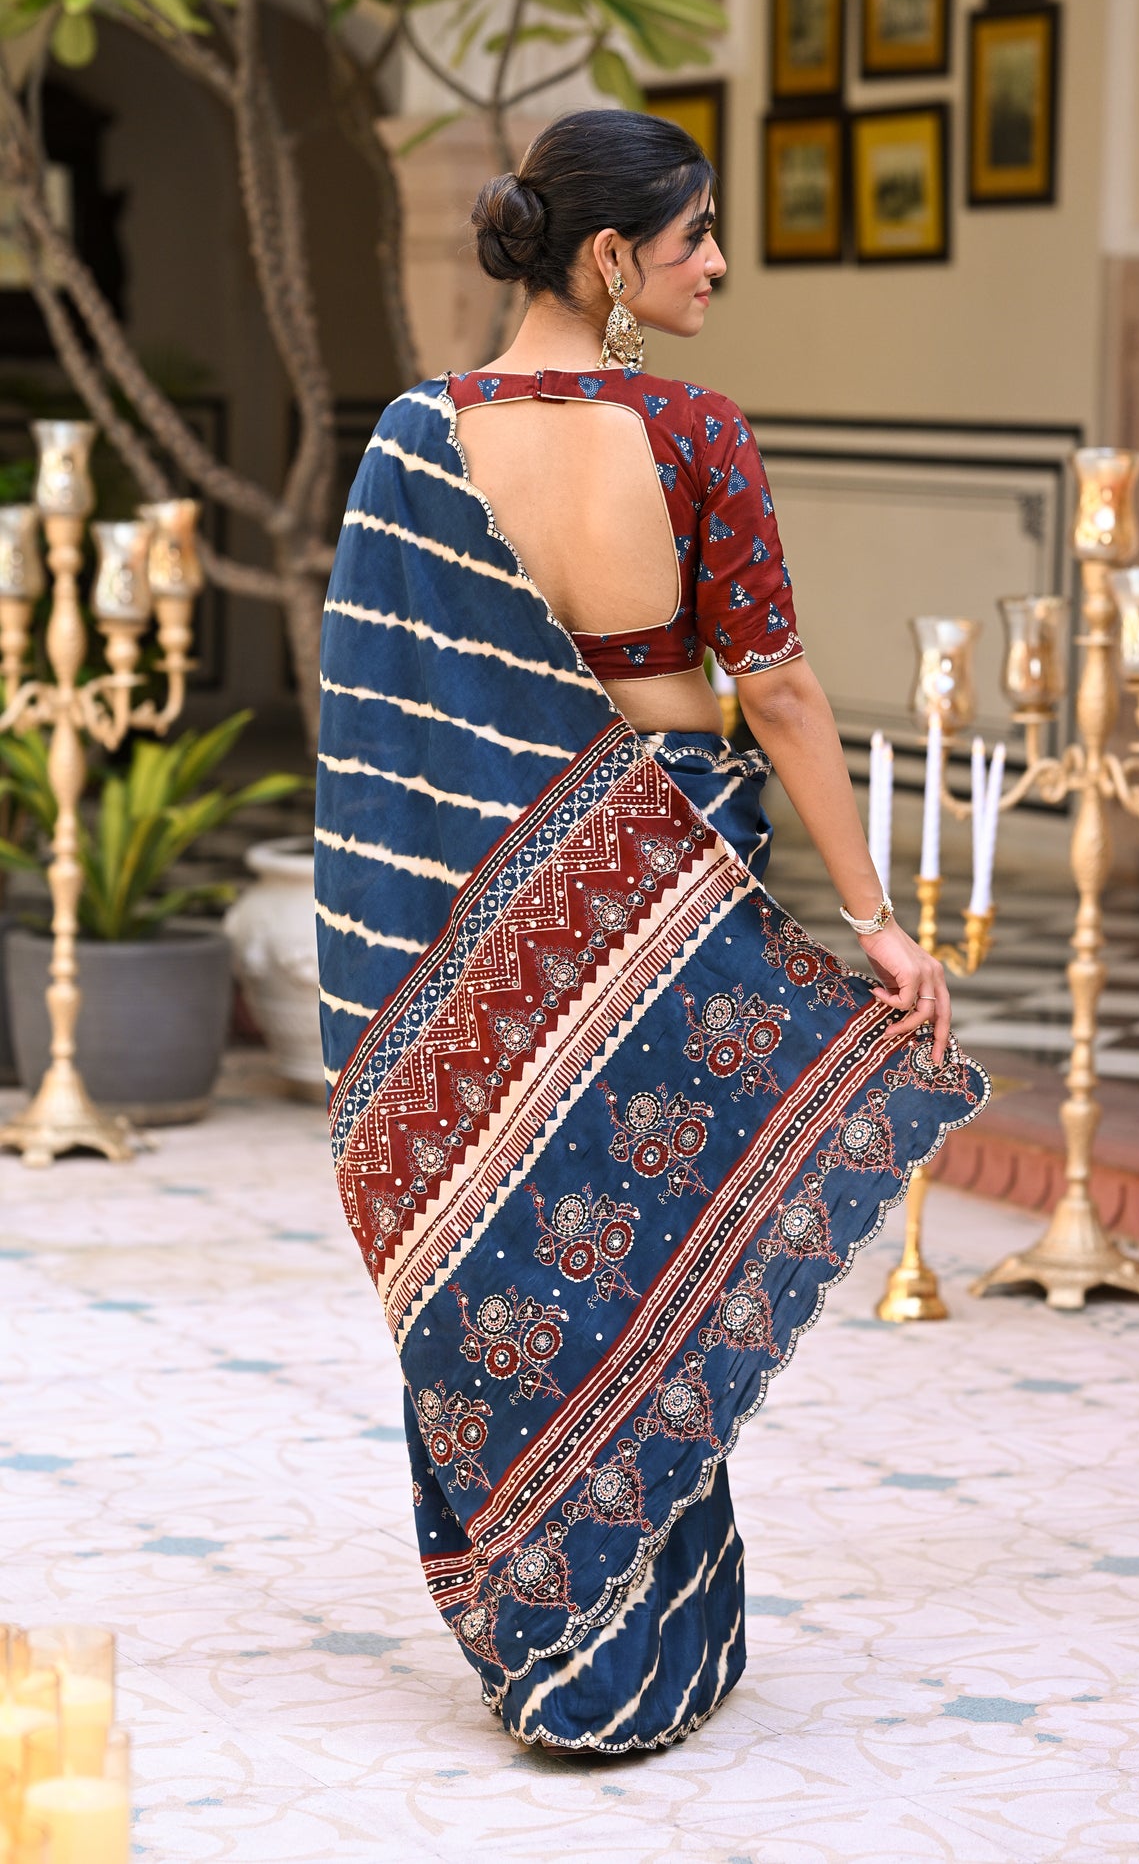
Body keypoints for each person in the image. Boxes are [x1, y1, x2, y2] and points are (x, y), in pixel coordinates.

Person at [315, 108, 988, 1755]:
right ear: (611, 257)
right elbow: (779, 691)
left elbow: (376, 733)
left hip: (485, 921)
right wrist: (876, 920)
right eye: (694, 236)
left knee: (520, 1249)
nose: (718, 263)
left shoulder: (416, 437)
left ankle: (541, 1641)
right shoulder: (686, 429)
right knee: (648, 1245)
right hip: (669, 889)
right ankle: (650, 1639)